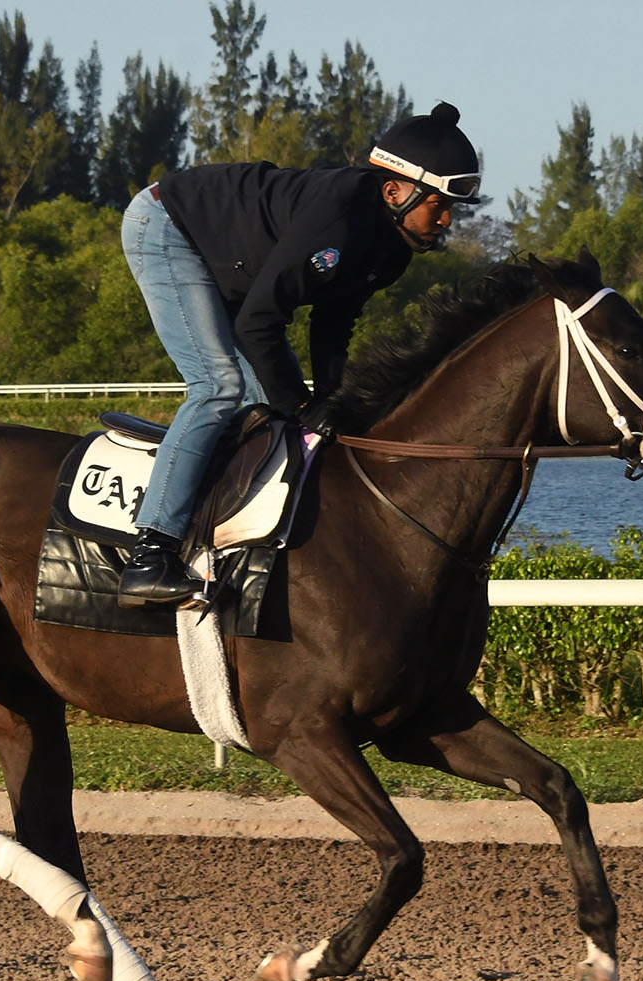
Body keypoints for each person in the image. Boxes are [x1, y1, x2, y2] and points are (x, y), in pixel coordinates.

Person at [117, 101, 481, 608]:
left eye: (450, 209)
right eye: (438, 205)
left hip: (236, 262)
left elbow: (333, 324)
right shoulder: (337, 219)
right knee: (219, 386)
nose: (445, 221)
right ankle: (149, 554)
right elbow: (259, 321)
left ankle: (232, 545)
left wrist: (333, 402)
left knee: (269, 404)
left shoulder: (393, 248)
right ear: (394, 190)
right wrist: (305, 404)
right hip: (169, 227)